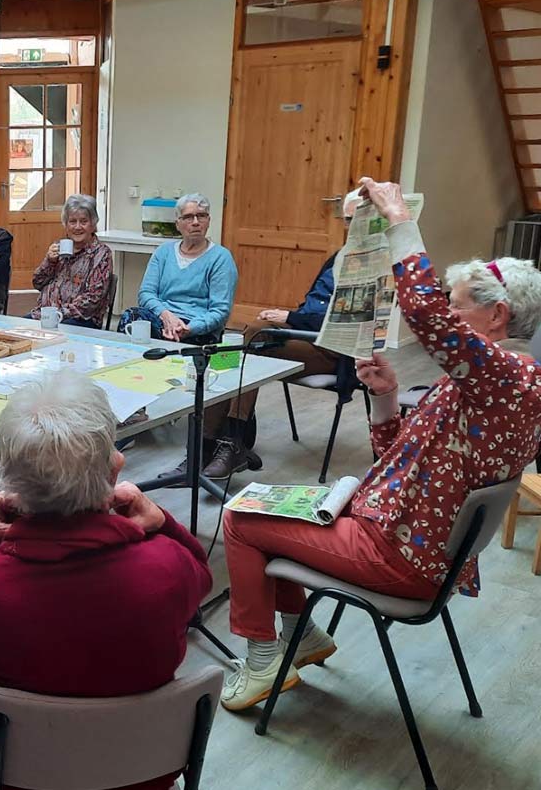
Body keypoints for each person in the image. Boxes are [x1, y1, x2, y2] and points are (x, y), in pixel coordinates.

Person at [219, 176, 541, 712]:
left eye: (456, 306)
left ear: (497, 315)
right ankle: (304, 636)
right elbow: (397, 458)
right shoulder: (495, 382)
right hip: (409, 535)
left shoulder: (507, 376)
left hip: (402, 553)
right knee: (273, 503)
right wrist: (386, 397)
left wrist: (399, 221)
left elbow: (425, 316)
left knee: (240, 519)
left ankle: (262, 659)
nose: (446, 315)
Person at [0, 371, 212, 790]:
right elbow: (202, 576)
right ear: (114, 469)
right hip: (137, 773)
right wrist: (162, 524)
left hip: (7, 775)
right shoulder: (168, 568)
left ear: (6, 484)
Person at [175, 189, 362, 482]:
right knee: (242, 337)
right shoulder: (340, 255)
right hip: (307, 331)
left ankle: (223, 443)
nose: (352, 226)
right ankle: (213, 444)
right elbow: (313, 304)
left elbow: (345, 321)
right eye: (348, 219)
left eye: (358, 219)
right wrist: (289, 319)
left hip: (334, 348)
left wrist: (289, 318)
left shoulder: (372, 265)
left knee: (249, 350)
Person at [117, 193, 237, 344]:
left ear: (208, 221)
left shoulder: (221, 258)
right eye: (188, 217)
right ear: (177, 224)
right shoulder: (163, 252)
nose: (195, 222)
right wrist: (165, 315)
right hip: (162, 318)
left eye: (201, 216)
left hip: (197, 328)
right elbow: (146, 294)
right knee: (131, 318)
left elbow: (220, 310)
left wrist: (188, 328)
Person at [29, 194, 113, 328]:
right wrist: (50, 261)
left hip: (80, 320)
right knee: (13, 333)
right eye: (72, 221)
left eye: (83, 221)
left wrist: (58, 314)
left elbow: (93, 299)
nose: (77, 227)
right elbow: (37, 283)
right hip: (44, 316)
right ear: (66, 225)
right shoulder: (59, 247)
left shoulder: (101, 254)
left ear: (93, 224)